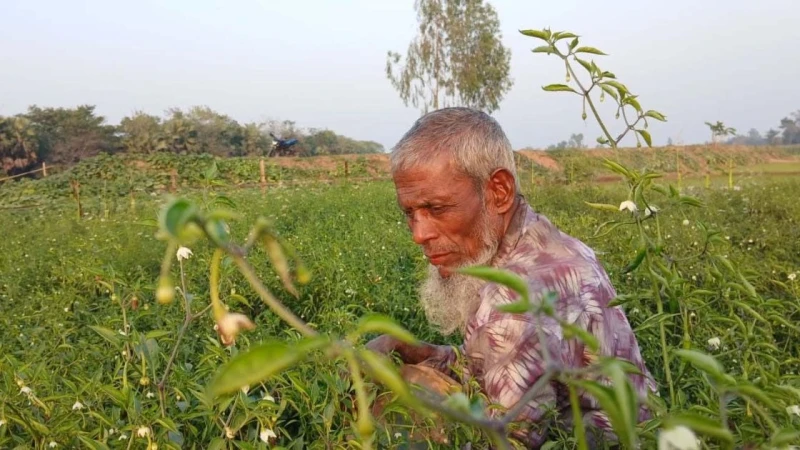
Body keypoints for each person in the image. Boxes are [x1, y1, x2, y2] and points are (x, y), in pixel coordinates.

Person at [366, 107, 656, 448]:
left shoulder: (516, 302)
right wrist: (412, 350)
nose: (419, 234)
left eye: (437, 209)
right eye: (410, 213)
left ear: (498, 192)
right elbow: (488, 361)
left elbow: (507, 442)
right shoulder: (539, 244)